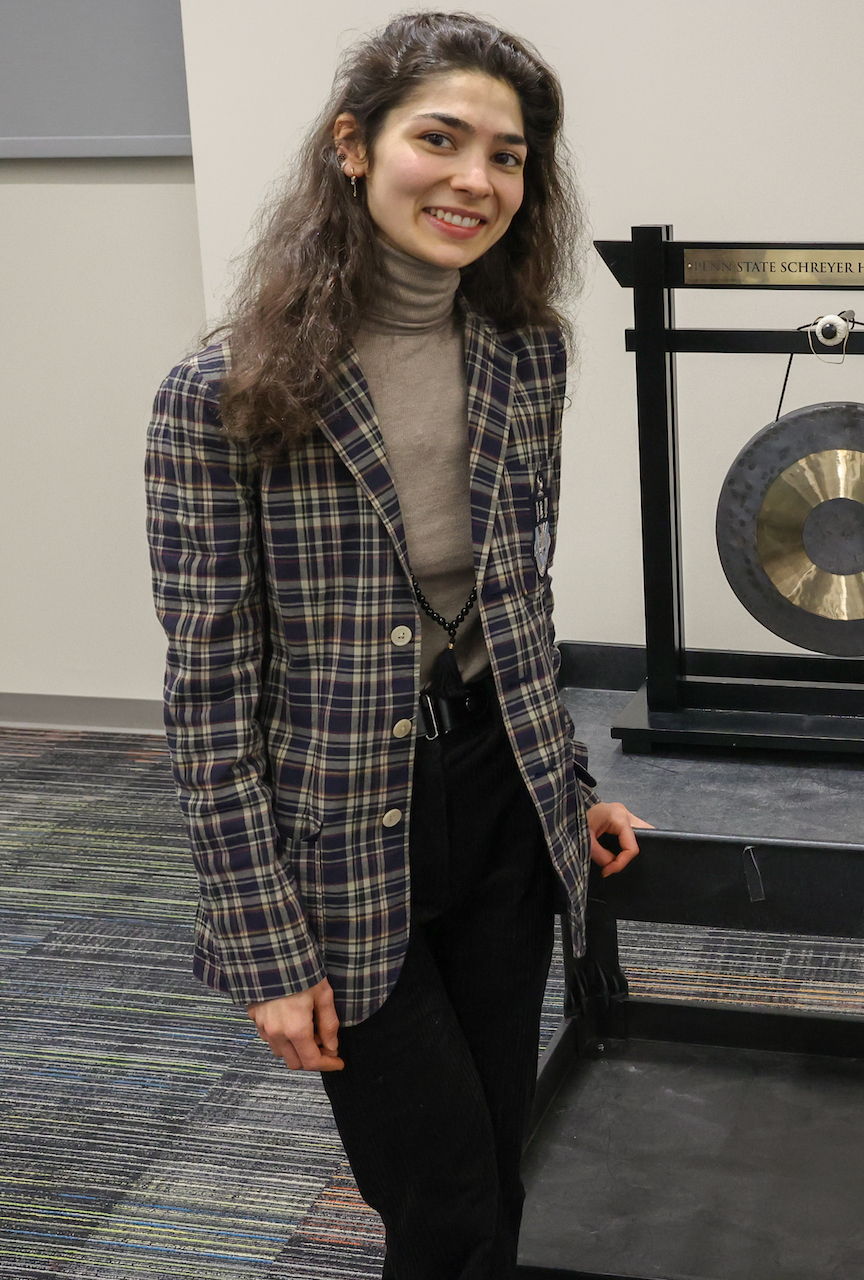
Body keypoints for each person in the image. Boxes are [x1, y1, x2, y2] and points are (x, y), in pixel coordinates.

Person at [144, 14, 647, 1277]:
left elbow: (515, 596)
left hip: (498, 795)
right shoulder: (223, 393)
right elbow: (207, 696)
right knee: (442, 1187)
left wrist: (565, 784)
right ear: (354, 147)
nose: (477, 180)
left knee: (493, 1147)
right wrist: (264, 946)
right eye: (442, 139)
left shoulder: (527, 354)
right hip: (339, 827)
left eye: (510, 155)